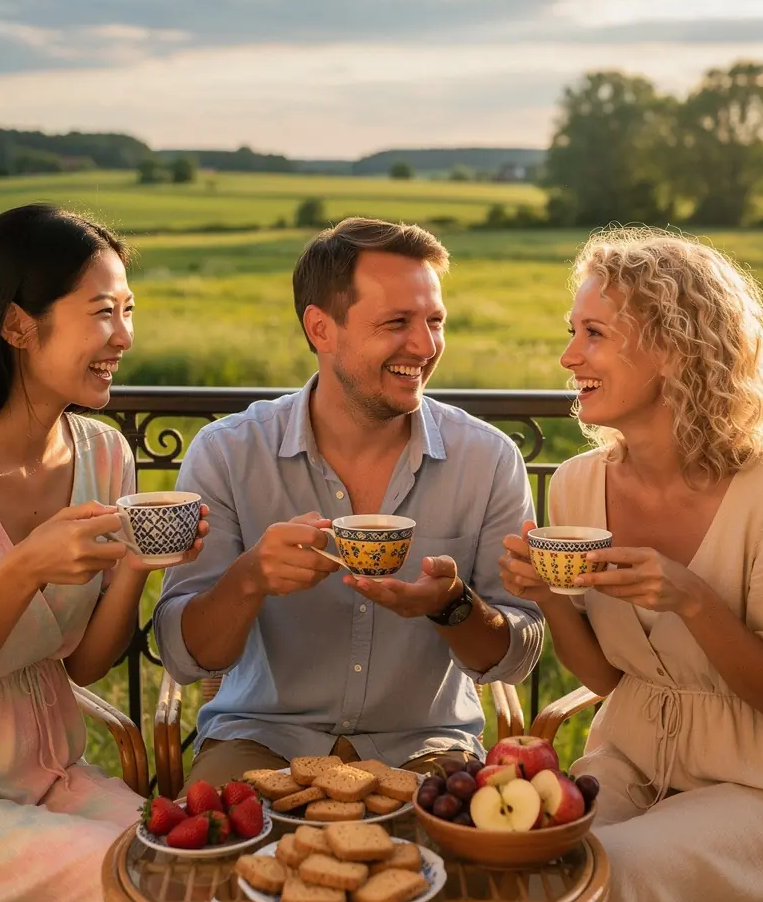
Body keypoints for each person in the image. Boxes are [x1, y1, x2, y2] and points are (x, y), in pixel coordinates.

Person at [499, 227, 763, 902]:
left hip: (756, 780)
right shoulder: (577, 485)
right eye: (572, 330)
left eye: (595, 334)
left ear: (677, 348)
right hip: (632, 748)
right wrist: (546, 592)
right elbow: (610, 681)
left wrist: (693, 597)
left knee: (623, 878)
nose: (568, 354)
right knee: (544, 871)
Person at [0, 204, 208, 902]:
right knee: (111, 884)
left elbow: (83, 666)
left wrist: (141, 563)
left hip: (52, 772)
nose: (124, 336)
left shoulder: (104, 455)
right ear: (19, 323)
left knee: (180, 876)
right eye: (103, 311)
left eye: (129, 310)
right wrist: (22, 567)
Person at [154, 216, 543, 789]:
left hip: (425, 749)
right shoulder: (229, 453)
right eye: (397, 323)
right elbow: (185, 657)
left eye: (435, 321)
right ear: (321, 329)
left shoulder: (487, 459)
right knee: (216, 852)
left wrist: (453, 606)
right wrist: (249, 578)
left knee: (454, 866)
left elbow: (516, 655)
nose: (426, 345)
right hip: (259, 739)